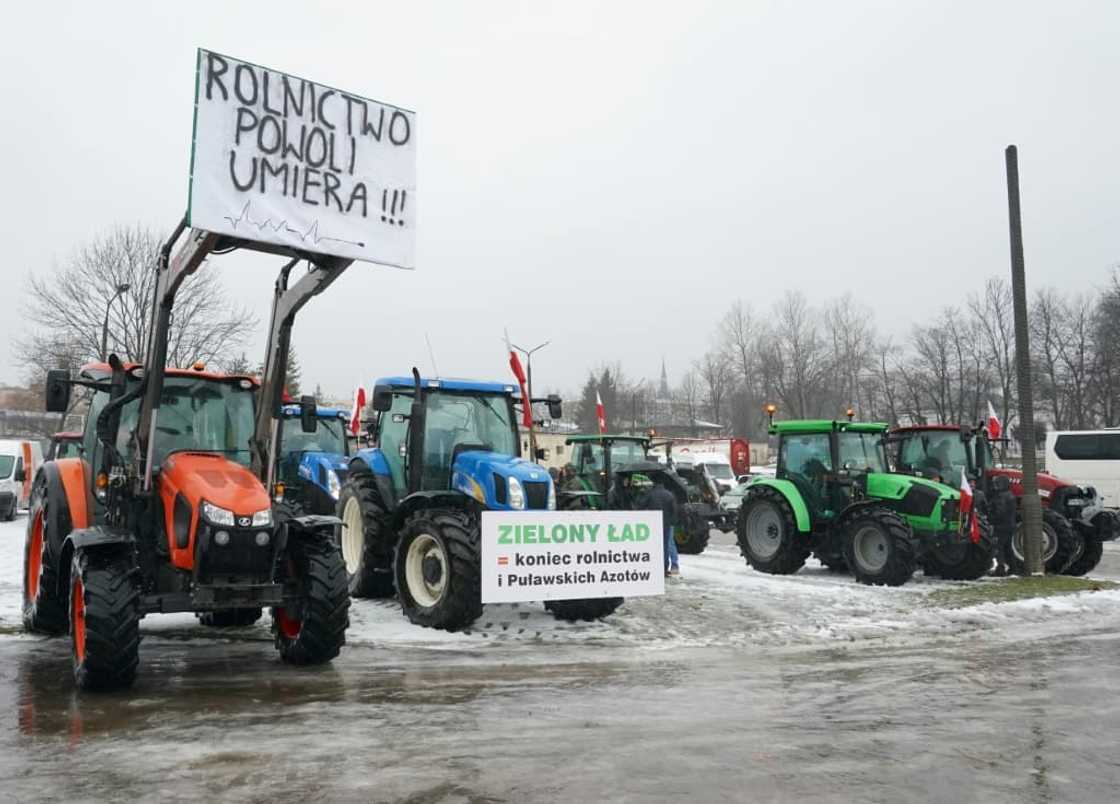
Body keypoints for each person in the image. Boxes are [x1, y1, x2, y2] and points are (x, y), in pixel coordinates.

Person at [643, 476, 680, 578]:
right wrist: (672, 522)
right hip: (667, 524)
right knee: (666, 546)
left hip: (653, 524)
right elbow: (674, 510)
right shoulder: (669, 495)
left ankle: (655, 567)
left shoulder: (650, 494)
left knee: (654, 546)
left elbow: (641, 505)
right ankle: (665, 568)